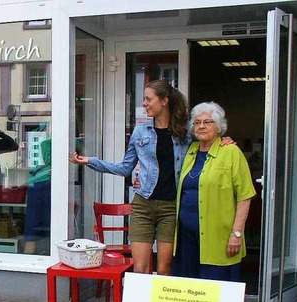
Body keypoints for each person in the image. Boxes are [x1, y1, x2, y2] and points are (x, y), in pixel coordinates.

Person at [69, 80, 191, 275]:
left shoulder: (185, 132)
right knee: (140, 268)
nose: (144, 103)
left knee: (164, 268)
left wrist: (224, 141)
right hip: (143, 204)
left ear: (165, 101)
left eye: (148, 99)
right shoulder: (140, 131)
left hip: (171, 207)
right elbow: (125, 168)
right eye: (144, 99)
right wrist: (91, 161)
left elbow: (207, 140)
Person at [173, 102, 256, 281]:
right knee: (190, 289)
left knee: (217, 291)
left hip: (219, 237)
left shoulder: (231, 152)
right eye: (197, 122)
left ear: (219, 127)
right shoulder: (191, 150)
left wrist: (236, 234)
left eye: (207, 122)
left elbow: (245, 196)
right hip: (187, 237)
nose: (201, 126)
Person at [23, 137, 51, 254]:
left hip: (37, 184)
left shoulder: (46, 142)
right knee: (53, 224)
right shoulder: (72, 141)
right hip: (46, 184)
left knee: (32, 225)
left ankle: (28, 255)